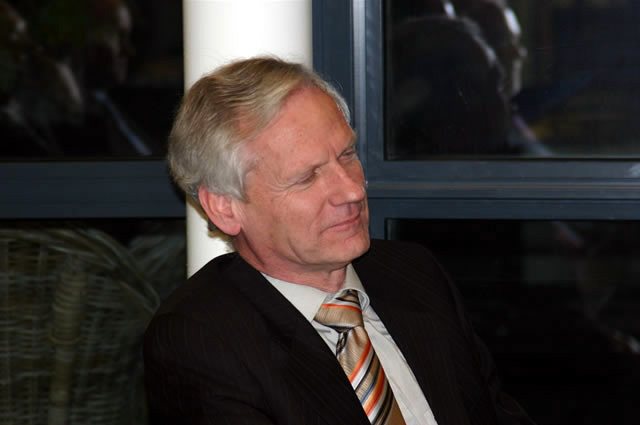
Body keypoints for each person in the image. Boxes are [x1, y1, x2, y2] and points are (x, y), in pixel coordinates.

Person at [143, 56, 535, 425]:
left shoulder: (413, 273)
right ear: (225, 207)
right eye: (307, 177)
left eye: (347, 155)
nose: (352, 190)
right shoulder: (201, 339)